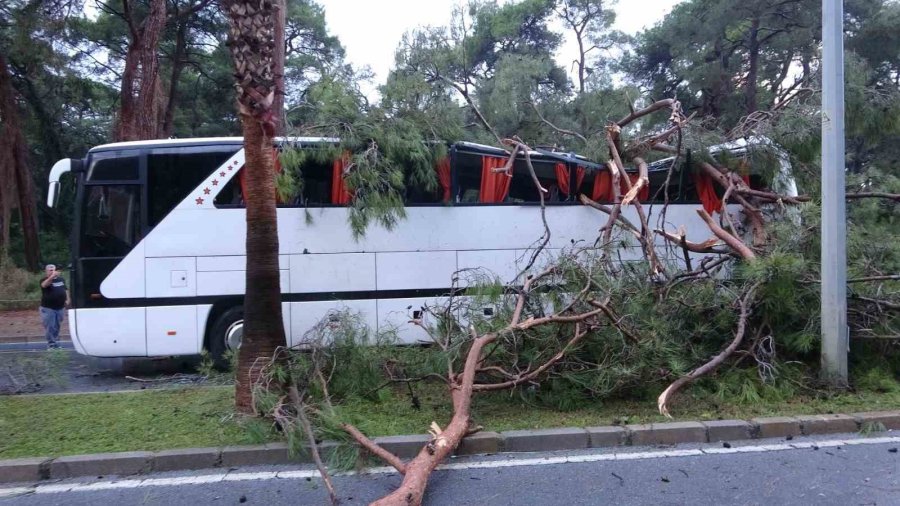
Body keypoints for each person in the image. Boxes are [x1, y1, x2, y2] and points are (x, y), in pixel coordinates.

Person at [39, 264, 69, 349]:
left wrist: (67, 299)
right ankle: (51, 344)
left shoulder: (61, 279)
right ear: (46, 271)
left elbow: (65, 289)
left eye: (54, 270)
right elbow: (44, 285)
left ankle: (55, 343)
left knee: (57, 326)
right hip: (48, 308)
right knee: (50, 326)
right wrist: (52, 277)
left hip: (60, 307)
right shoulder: (44, 280)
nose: (52, 271)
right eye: (50, 270)